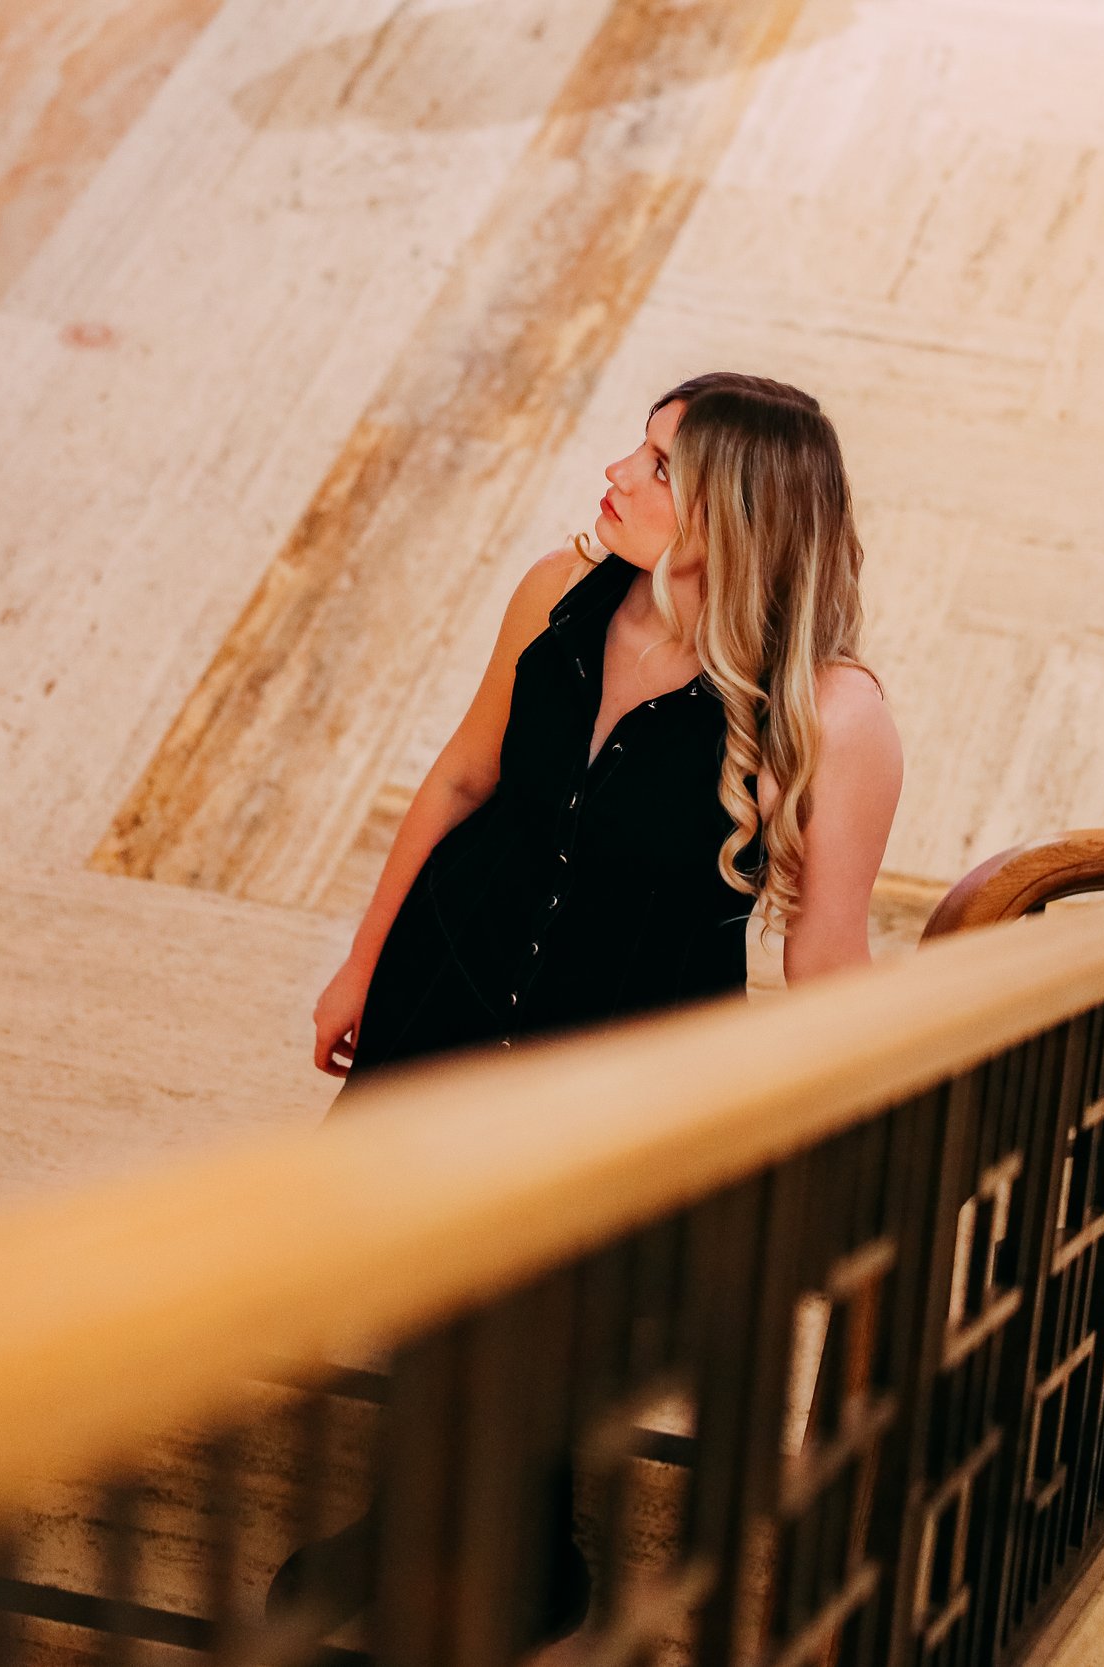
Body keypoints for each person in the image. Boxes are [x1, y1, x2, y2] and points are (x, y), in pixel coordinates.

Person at [270, 371, 904, 1641]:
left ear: (732, 512)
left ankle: (527, 1556)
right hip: (451, 987)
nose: (617, 470)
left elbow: (827, 952)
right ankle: (405, 1520)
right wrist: (362, 962)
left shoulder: (831, 714)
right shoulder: (555, 595)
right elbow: (460, 781)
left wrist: (860, 1120)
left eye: (659, 464)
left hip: (619, 1057)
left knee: (546, 1314)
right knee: (426, 1270)